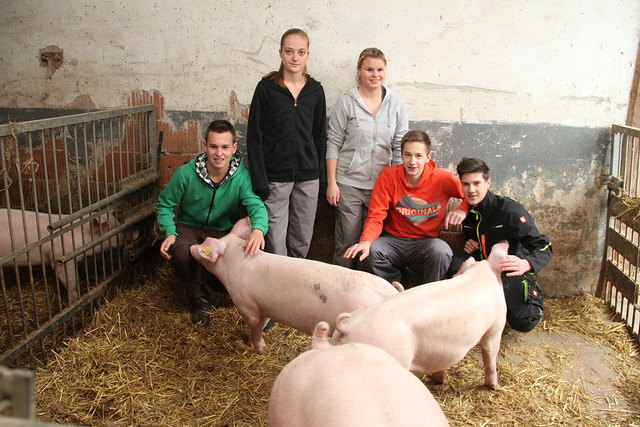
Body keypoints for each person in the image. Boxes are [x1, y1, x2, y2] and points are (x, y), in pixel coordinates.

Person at [155, 120, 268, 327]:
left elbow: (256, 205)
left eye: (225, 147)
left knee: (245, 256)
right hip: (189, 227)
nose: (219, 153)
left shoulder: (242, 177)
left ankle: (253, 304)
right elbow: (164, 204)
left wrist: (259, 230)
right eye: (214, 146)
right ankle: (199, 299)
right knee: (180, 252)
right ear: (204, 145)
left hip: (222, 231)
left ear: (234, 148)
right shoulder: (185, 174)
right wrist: (169, 231)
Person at [344, 130, 467, 285]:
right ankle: (397, 286)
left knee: (441, 251)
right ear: (401, 155)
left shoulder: (443, 178)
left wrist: (463, 208)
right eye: (407, 155)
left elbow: (472, 194)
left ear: (428, 157)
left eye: (418, 156)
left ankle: (428, 295)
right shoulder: (389, 176)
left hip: (426, 243)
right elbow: (376, 216)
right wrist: (366, 241)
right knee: (371, 251)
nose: (412, 161)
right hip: (393, 240)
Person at [246, 28, 327, 258]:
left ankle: (295, 286)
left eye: (301, 52)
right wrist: (259, 179)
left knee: (302, 238)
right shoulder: (266, 88)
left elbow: (320, 136)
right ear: (280, 52)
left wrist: (320, 177)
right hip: (275, 176)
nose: (295, 57)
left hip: (307, 176)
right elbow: (254, 136)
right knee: (275, 240)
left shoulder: (315, 91)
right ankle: (275, 288)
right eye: (289, 51)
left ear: (307, 54)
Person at [326, 47, 408, 268]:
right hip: (348, 184)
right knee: (347, 242)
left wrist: (397, 187)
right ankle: (338, 294)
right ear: (359, 70)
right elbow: (333, 142)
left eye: (380, 69)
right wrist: (332, 183)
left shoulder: (396, 104)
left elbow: (399, 148)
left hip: (381, 187)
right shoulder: (346, 102)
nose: (375, 74)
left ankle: (367, 294)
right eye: (369, 69)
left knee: (373, 244)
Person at [449, 157, 552, 332]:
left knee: (524, 321)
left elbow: (543, 245)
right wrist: (472, 243)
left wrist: (526, 263)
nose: (471, 190)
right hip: (482, 265)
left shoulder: (509, 210)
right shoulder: (468, 213)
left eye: (477, 183)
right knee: (453, 267)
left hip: (509, 266)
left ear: (488, 182)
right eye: (466, 184)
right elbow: (477, 235)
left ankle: (532, 293)